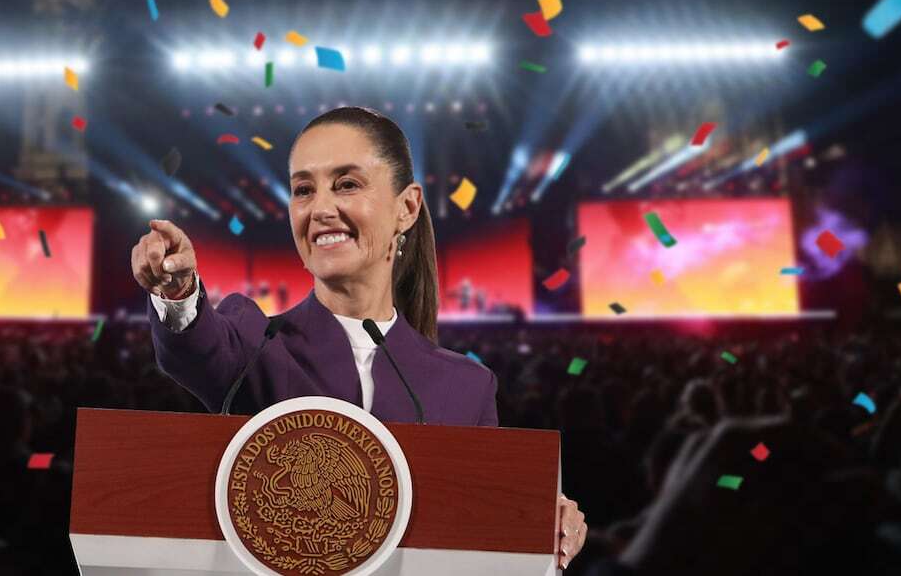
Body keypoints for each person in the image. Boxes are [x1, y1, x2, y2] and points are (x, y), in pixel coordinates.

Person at [131, 106, 586, 568]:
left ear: (406, 207)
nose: (322, 209)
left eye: (347, 184)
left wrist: (535, 519)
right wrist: (176, 288)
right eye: (304, 190)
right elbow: (196, 347)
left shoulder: (467, 387)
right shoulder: (255, 344)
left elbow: (476, 529)